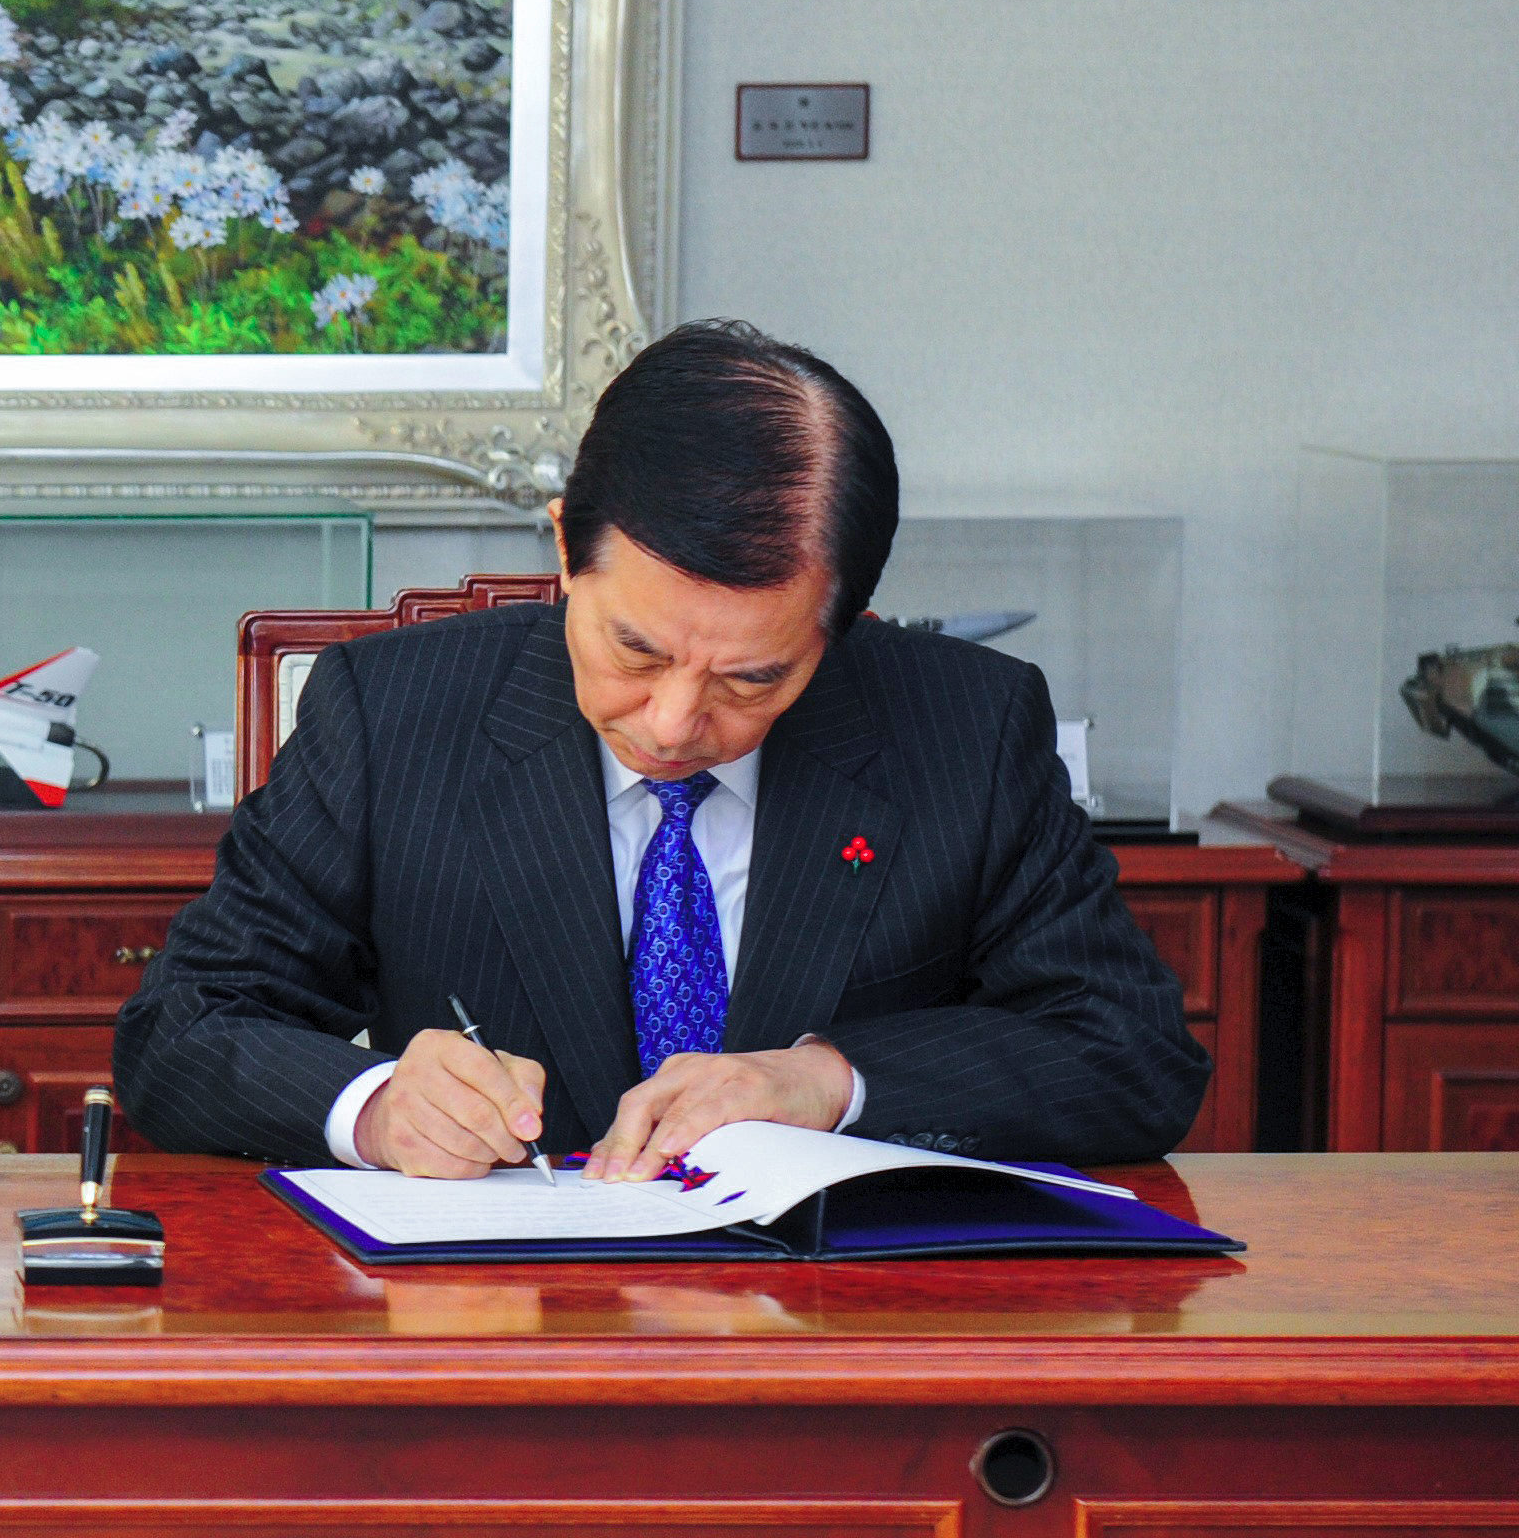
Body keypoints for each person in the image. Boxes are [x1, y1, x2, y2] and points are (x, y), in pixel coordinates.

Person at [114, 320, 1203, 1177]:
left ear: (838, 624)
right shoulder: (390, 716)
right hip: (492, 1342)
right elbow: (180, 1030)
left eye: (751, 677)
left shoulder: (963, 732)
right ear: (560, 550)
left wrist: (829, 1081)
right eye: (631, 647)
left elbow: (1130, 1057)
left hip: (835, 1346)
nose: (675, 723)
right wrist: (377, 1105)